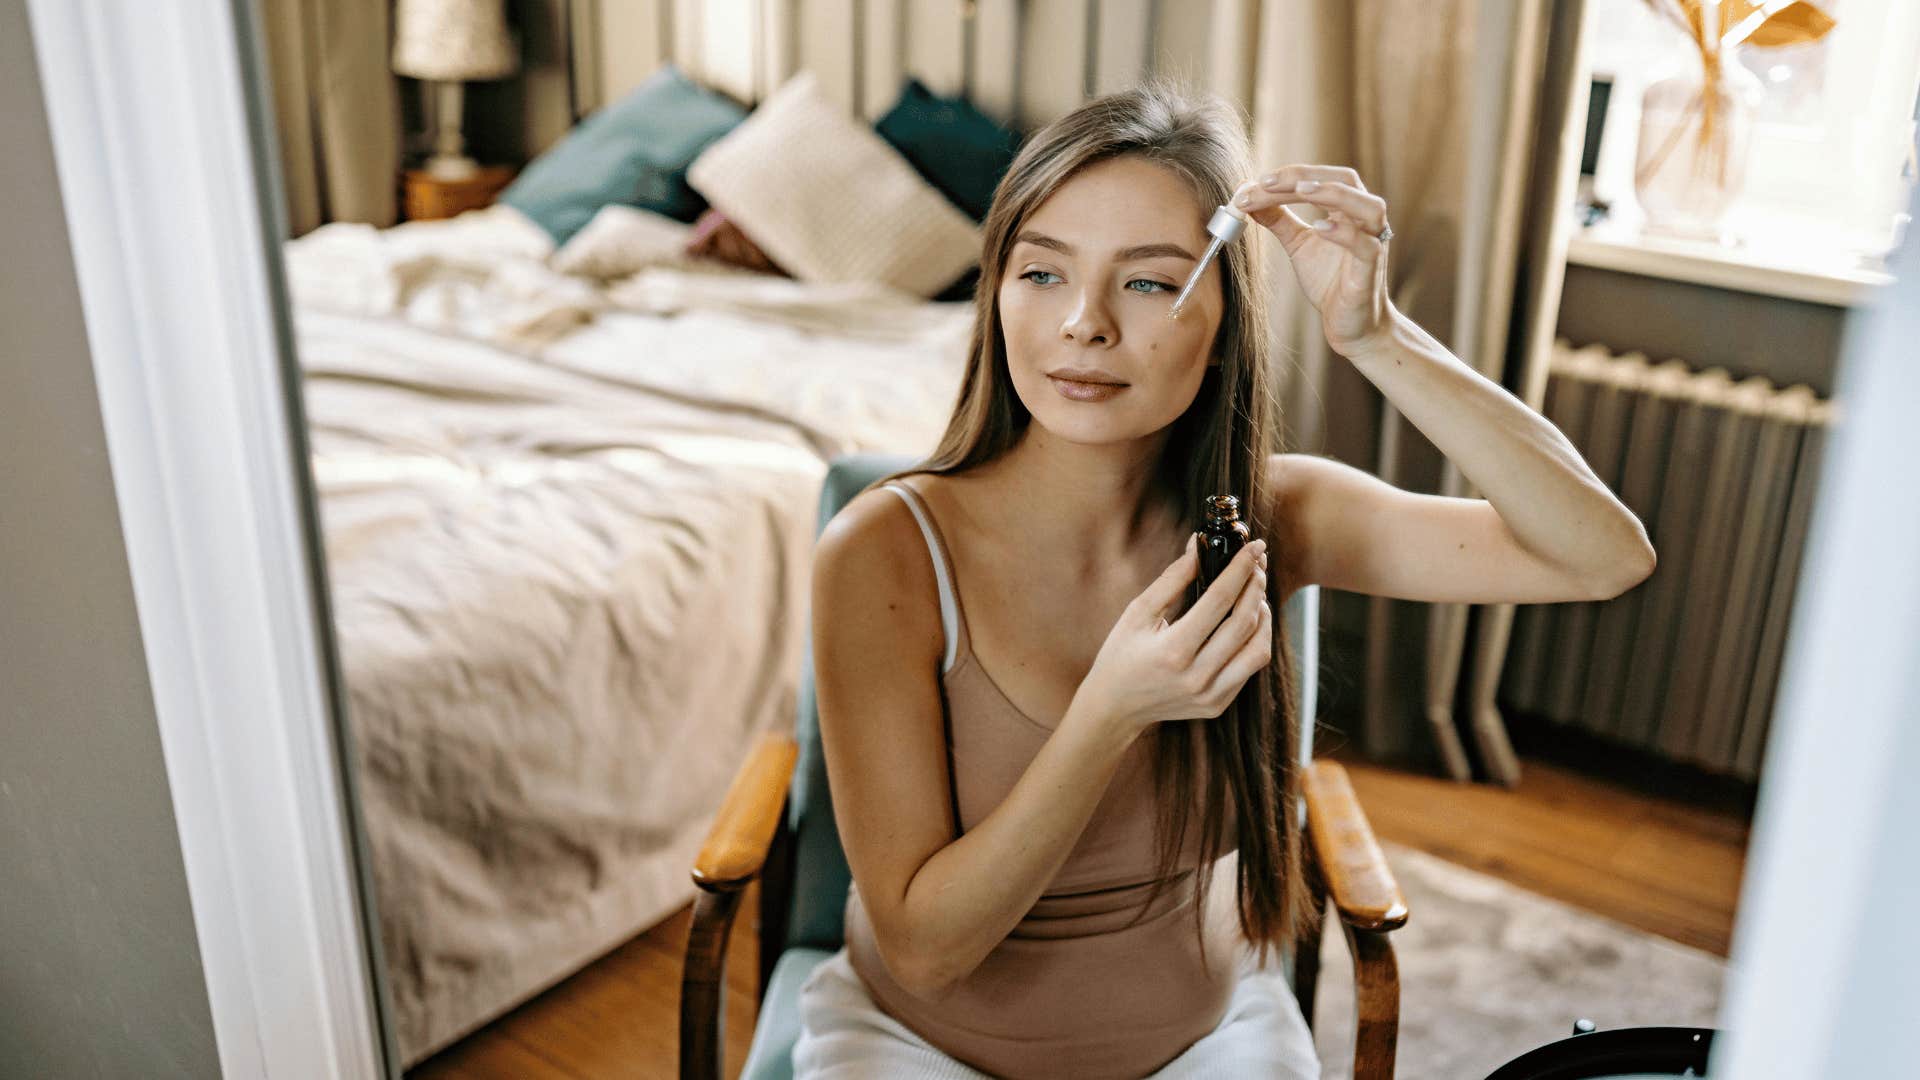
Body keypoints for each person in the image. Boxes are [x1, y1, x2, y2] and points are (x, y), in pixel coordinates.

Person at [796, 81, 1656, 1080]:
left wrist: (1378, 336)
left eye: (1150, 283)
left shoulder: (1278, 517)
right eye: (1041, 272)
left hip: (1209, 1048)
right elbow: (924, 949)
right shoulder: (884, 555)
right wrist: (1111, 714)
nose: (1084, 324)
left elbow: (1602, 555)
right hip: (916, 1049)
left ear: (1222, 327)